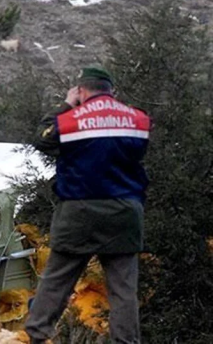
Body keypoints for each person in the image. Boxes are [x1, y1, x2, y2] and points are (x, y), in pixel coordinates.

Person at [25, 66, 151, 344]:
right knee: (123, 290)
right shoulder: (138, 120)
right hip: (125, 211)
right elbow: (138, 153)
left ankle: (36, 335)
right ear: (111, 91)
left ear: (81, 91)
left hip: (78, 211)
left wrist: (66, 105)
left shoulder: (70, 120)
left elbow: (42, 140)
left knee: (57, 280)